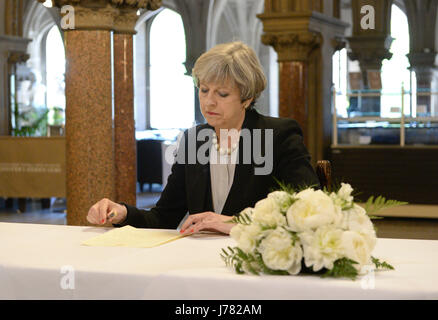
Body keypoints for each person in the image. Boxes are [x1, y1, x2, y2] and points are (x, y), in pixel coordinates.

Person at [86, 41, 320, 235]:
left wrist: (236, 223)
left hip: (256, 263)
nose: (209, 102)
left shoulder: (278, 135)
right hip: (201, 263)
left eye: (222, 94)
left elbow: (310, 210)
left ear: (247, 98)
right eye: (204, 89)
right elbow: (164, 217)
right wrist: (122, 212)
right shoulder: (194, 140)